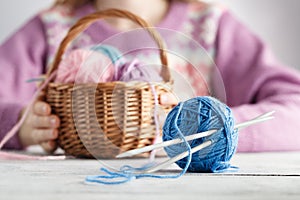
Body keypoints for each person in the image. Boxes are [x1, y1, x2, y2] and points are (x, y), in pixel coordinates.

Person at [1, 0, 300, 154]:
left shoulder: (212, 28)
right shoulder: (51, 31)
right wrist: (21, 125)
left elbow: (294, 111)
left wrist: (217, 130)